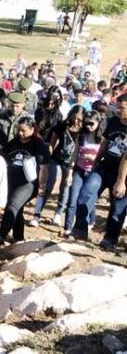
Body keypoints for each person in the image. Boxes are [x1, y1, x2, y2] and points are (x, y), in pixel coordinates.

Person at [72, 95, 127, 246]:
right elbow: (105, 143)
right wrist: (95, 164)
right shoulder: (114, 121)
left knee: (117, 208)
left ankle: (110, 239)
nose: (118, 110)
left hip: (123, 174)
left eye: (122, 108)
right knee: (85, 193)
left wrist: (121, 181)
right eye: (118, 106)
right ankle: (80, 229)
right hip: (104, 167)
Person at [0, 116, 49, 246]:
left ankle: (1, 234)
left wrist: (42, 184)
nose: (21, 134)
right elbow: (2, 158)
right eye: (19, 130)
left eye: (24, 131)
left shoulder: (39, 144)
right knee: (18, 208)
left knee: (13, 205)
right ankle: (18, 237)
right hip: (11, 181)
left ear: (32, 129)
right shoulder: (14, 142)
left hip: (28, 183)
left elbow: (44, 167)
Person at [31, 106, 83, 227]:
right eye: (74, 118)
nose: (76, 121)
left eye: (79, 119)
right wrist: (48, 158)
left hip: (72, 163)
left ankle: (58, 213)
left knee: (65, 188)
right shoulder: (61, 126)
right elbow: (52, 143)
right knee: (48, 184)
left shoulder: (84, 131)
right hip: (56, 159)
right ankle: (37, 213)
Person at [63, 112, 103, 237]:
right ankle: (69, 227)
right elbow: (75, 154)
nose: (89, 126)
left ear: (98, 123)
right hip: (79, 170)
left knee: (87, 199)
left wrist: (93, 158)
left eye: (92, 123)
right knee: (73, 199)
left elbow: (104, 157)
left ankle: (89, 222)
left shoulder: (102, 138)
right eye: (86, 123)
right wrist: (69, 172)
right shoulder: (82, 135)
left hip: (94, 172)